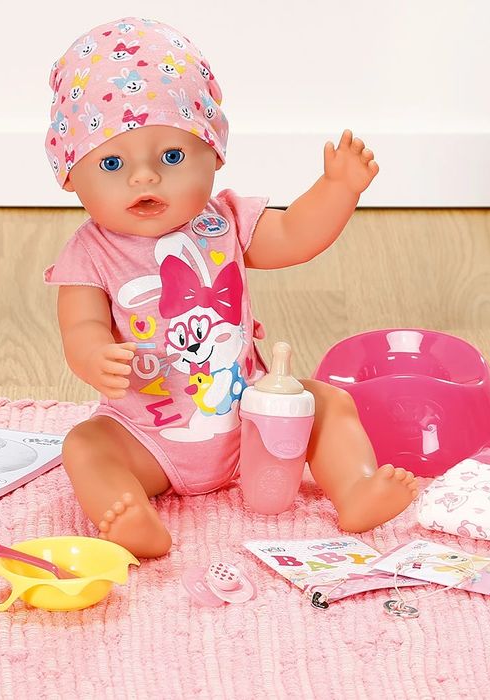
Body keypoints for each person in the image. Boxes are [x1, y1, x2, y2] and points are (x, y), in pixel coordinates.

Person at [44, 17, 418, 558]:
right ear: (70, 174)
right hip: (146, 435)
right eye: (112, 162)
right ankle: (129, 515)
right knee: (85, 445)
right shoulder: (89, 252)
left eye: (172, 157)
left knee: (328, 403)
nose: (144, 177)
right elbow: (79, 325)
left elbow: (294, 235)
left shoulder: (225, 221)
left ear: (214, 154)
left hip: (254, 421)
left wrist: (338, 189)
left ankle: (355, 488)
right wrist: (94, 355)